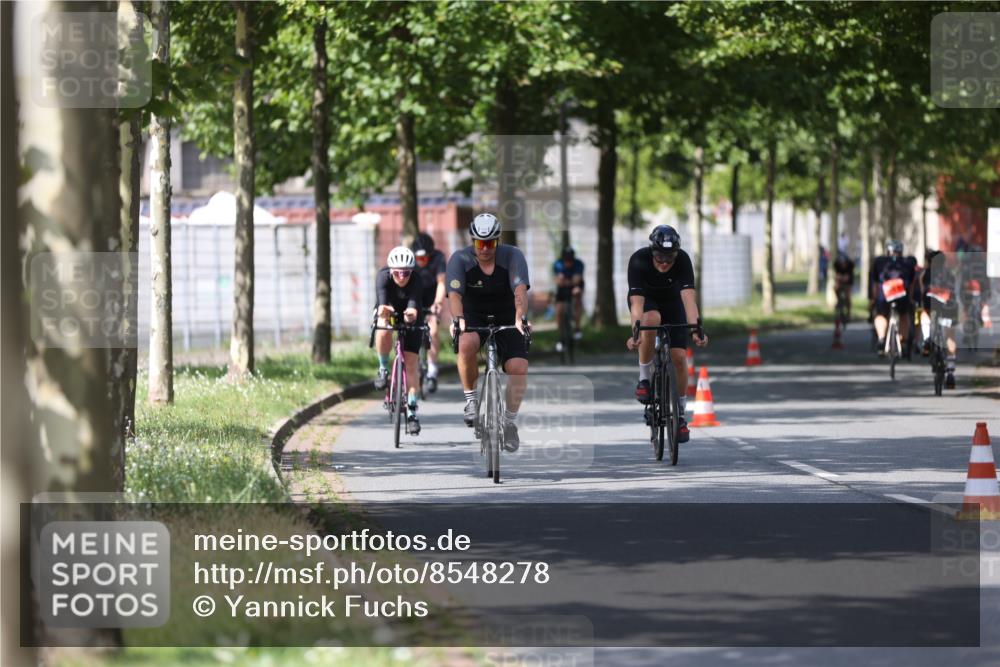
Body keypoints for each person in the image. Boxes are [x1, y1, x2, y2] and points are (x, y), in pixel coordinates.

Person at [447, 213, 531, 451]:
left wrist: (520, 317)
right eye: (479, 243)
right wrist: (458, 319)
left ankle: (510, 421)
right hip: (473, 315)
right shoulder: (460, 259)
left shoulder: (512, 255)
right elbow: (454, 296)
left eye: (490, 243)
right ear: (472, 240)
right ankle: (471, 401)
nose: (484, 249)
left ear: (497, 241)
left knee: (519, 367)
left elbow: (520, 290)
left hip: (507, 316)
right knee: (465, 345)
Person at [625, 225, 708, 444]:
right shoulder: (638, 260)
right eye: (659, 257)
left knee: (680, 357)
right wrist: (635, 332)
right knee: (651, 319)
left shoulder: (683, 260)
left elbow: (689, 299)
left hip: (673, 303)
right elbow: (636, 303)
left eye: (669, 258)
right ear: (652, 251)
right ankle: (644, 379)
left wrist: (696, 330)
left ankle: (680, 416)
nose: (664, 262)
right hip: (647, 301)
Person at [373, 246, 425, 434]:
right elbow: (383, 304)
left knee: (411, 363)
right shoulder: (383, 277)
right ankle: (382, 368)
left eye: (406, 272)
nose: (402, 277)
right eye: (397, 272)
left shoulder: (417, 280)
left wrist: (409, 317)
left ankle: (412, 412)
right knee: (383, 323)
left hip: (411, 313)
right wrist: (385, 312)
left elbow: (413, 309)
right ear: (391, 271)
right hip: (388, 309)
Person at [869, 239, 918, 359]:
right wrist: (910, 299)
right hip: (902, 294)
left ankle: (881, 339)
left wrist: (873, 299)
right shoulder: (908, 263)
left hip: (884, 295)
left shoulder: (879, 262)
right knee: (904, 315)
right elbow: (912, 284)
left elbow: (875, 284)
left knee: (880, 315)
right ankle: (904, 342)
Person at [412, 232, 447, 393]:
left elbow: (441, 283)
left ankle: (432, 371)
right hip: (415, 299)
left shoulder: (438, 258)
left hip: (432, 299)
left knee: (432, 332)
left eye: (425, 258)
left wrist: (437, 303)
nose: (422, 262)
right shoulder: (410, 261)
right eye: (419, 259)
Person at [919, 249, 959, 388]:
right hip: (949, 305)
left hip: (932, 303)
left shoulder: (926, 274)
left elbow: (922, 291)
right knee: (950, 336)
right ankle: (951, 370)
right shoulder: (950, 275)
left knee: (924, 312)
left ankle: (926, 338)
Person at [552, 245, 584, 348]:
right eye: (566, 260)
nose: (568, 263)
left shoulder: (579, 264)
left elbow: (577, 280)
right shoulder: (558, 264)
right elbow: (558, 281)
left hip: (576, 287)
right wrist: (568, 281)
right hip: (562, 290)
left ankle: (577, 328)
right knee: (559, 310)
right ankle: (560, 336)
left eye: (570, 260)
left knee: (577, 296)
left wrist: (565, 281)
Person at [833, 251, 855, 322]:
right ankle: (838, 300)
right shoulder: (836, 264)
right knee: (836, 287)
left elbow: (848, 277)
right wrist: (838, 279)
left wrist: (844, 277)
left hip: (848, 281)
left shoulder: (850, 265)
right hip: (840, 279)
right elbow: (837, 275)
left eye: (844, 263)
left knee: (847, 295)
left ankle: (848, 312)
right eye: (841, 263)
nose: (843, 265)